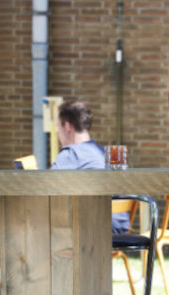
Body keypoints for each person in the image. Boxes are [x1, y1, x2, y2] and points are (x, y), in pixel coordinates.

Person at [51, 100, 130, 233]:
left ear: (68, 127)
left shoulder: (70, 154)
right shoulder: (113, 154)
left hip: (94, 228)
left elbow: (44, 189)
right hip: (119, 226)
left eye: (58, 128)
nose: (58, 134)